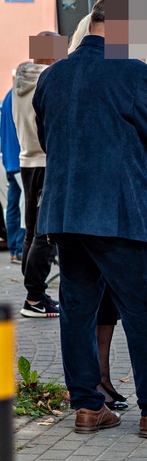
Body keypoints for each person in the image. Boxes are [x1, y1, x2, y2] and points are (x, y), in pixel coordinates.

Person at [32, 0, 147, 436]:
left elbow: (50, 141)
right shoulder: (133, 73)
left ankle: (88, 408)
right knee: (145, 313)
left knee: (76, 311)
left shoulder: (54, 76)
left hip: (67, 214)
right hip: (121, 214)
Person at [67, 12, 128, 412]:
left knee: (85, 304)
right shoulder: (119, 71)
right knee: (138, 305)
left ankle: (94, 393)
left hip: (70, 209)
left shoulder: (61, 75)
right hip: (108, 208)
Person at [12, 32, 60, 318]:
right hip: (46, 160)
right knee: (46, 232)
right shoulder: (49, 80)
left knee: (32, 231)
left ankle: (34, 294)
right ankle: (34, 298)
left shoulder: (19, 81)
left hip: (26, 161)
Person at [0, 83, 24, 264]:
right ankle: (19, 247)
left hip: (9, 158)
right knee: (25, 206)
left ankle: (14, 249)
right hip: (21, 158)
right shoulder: (21, 96)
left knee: (13, 206)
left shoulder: (9, 96)